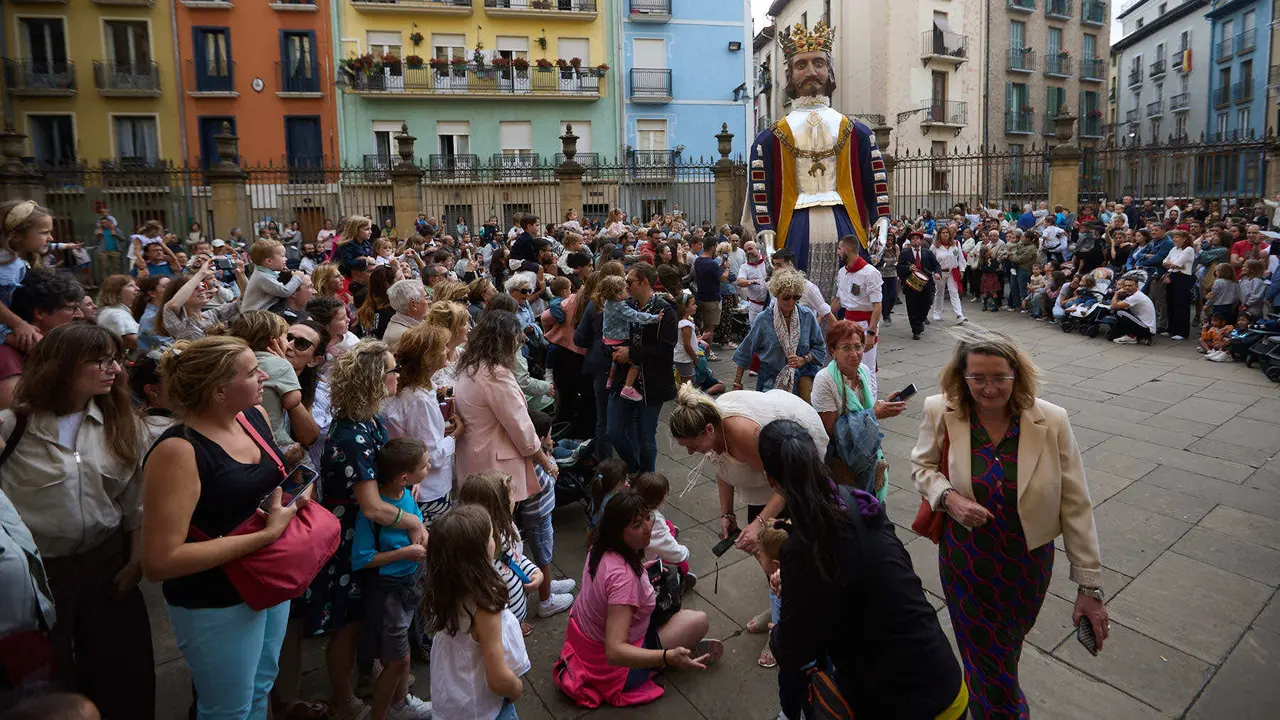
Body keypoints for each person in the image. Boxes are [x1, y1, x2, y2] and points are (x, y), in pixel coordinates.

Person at [909, 330, 1108, 717]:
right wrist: (949, 498)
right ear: (961, 376)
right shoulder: (941, 410)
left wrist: (1090, 586)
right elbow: (922, 467)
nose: (988, 388)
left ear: (1017, 374)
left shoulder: (1051, 420)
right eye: (977, 377)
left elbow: (1076, 503)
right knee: (991, 669)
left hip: (1026, 566)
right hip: (966, 561)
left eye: (999, 377)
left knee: (1001, 656)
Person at [141, 336, 308, 720]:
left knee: (261, 685)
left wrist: (298, 489)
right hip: (216, 600)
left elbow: (269, 485)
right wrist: (264, 536)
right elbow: (160, 561)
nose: (264, 374)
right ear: (219, 391)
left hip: (268, 580)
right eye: (251, 372)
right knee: (226, 709)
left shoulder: (253, 417)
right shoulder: (178, 451)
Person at [760, 419, 967, 720]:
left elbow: (795, 649)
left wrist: (781, 629)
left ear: (771, 481)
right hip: (947, 683)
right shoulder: (858, 503)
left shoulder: (805, 547)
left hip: (903, 705)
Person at [0, 324, 153, 720]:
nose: (114, 369)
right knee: (51, 674)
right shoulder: (12, 427)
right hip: (44, 573)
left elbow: (134, 498)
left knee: (121, 671)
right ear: (62, 366)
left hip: (109, 561)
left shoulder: (124, 422)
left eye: (116, 359)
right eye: (100, 360)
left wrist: (136, 559)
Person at [303, 340, 425, 720]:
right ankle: (346, 699)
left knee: (363, 618)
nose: (397, 375)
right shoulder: (354, 435)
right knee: (348, 624)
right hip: (350, 540)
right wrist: (413, 522)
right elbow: (371, 505)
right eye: (391, 370)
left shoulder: (365, 420)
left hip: (361, 532)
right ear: (374, 379)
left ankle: (370, 677)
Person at [668, 383, 827, 666]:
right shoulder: (712, 430)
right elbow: (722, 465)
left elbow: (788, 482)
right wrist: (727, 514)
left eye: (692, 445)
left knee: (786, 553)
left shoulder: (744, 434)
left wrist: (759, 522)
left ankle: (784, 628)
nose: (691, 453)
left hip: (793, 468)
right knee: (764, 550)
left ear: (708, 430)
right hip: (768, 474)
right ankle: (777, 603)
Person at [743, 20, 887, 292]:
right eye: (801, 65)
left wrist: (882, 226)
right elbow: (760, 198)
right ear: (790, 74)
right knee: (795, 300)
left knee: (852, 300)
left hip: (845, 223)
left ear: (829, 70)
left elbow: (876, 188)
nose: (811, 71)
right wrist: (770, 240)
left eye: (819, 63)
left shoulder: (857, 132)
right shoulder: (769, 139)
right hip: (794, 227)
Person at [554, 489, 717, 709]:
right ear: (619, 533)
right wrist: (667, 657)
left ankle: (670, 648)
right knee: (698, 621)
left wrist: (641, 572)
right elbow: (615, 652)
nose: (648, 528)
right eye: (637, 525)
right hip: (611, 670)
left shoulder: (599, 550)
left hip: (585, 646)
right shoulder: (623, 580)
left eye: (647, 518)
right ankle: (667, 661)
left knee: (674, 611)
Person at [351, 438, 433, 720]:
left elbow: (416, 520)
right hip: (388, 594)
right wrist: (405, 553)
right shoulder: (372, 516)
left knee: (403, 653)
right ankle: (382, 713)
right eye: (424, 465)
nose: (429, 467)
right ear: (403, 477)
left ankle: (401, 704)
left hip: (409, 585)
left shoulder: (405, 494)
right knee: (396, 661)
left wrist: (420, 533)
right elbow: (362, 559)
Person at [424, 505, 530, 720]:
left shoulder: (445, 589)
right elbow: (497, 678)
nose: (495, 539)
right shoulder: (485, 607)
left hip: (455, 700)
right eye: (491, 535)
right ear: (478, 552)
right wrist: (516, 688)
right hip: (487, 710)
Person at [454, 311, 554, 504]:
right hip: (495, 464)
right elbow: (519, 425)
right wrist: (544, 461)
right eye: (516, 340)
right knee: (498, 524)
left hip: (473, 457)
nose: (519, 344)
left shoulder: (470, 365)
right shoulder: (495, 375)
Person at [809, 320, 904, 502]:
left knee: (873, 505)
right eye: (845, 348)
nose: (854, 354)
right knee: (850, 508)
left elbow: (866, 409)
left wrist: (884, 405)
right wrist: (874, 414)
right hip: (840, 456)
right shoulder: (825, 380)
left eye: (858, 346)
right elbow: (832, 431)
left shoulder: (864, 371)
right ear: (833, 352)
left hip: (868, 450)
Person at [381, 324, 463, 526]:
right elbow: (431, 456)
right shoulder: (419, 399)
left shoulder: (414, 390)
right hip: (428, 490)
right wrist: (455, 437)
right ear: (429, 357)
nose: (447, 350)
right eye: (443, 347)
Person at [606, 263, 677, 474]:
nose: (626, 287)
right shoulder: (625, 305)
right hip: (622, 379)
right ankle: (635, 470)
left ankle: (647, 480)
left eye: (630, 282)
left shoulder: (665, 311)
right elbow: (608, 332)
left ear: (644, 282)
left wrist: (632, 353)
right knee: (614, 432)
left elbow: (666, 349)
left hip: (651, 383)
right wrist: (611, 350)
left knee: (646, 438)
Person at [518, 410, 577, 618]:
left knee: (546, 552)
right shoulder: (533, 464)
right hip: (538, 515)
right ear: (540, 439)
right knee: (543, 556)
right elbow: (547, 483)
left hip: (543, 513)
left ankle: (548, 584)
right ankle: (546, 601)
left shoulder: (533, 456)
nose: (551, 440)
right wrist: (551, 465)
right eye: (549, 436)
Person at [732, 270, 825, 397]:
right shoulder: (764, 319)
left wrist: (804, 359)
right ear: (777, 294)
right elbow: (745, 351)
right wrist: (737, 382)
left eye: (796, 297)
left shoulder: (807, 316)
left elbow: (820, 348)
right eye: (786, 297)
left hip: (803, 373)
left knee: (806, 409)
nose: (791, 302)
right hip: (771, 376)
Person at [830, 234, 883, 393]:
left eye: (839, 249)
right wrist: (821, 314)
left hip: (865, 324)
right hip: (847, 322)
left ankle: (871, 406)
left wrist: (871, 333)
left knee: (867, 367)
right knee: (848, 364)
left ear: (846, 249)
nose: (838, 252)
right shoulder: (842, 272)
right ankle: (853, 397)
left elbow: (877, 306)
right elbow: (838, 300)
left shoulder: (870, 273)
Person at [896, 231, 939, 340]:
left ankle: (920, 321)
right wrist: (908, 268)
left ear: (921, 240)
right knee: (912, 307)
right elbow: (899, 268)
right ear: (910, 241)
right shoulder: (905, 253)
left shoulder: (927, 253)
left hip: (926, 284)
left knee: (927, 303)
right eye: (913, 239)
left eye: (917, 238)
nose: (916, 240)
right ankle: (916, 329)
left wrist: (938, 273)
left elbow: (936, 265)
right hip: (911, 284)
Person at [242, 240, 304, 312]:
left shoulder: (262, 272)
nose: (286, 258)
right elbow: (285, 291)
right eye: (283, 256)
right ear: (269, 261)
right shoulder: (263, 277)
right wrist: (297, 278)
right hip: (254, 317)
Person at [1162, 229, 1196, 340]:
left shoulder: (1189, 249)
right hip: (1172, 276)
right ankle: (1171, 329)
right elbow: (1164, 262)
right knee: (1170, 303)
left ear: (1185, 238)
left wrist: (1172, 264)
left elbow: (1177, 263)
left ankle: (1182, 331)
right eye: (1174, 237)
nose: (1174, 239)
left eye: (1177, 237)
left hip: (1183, 278)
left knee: (1181, 304)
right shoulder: (1173, 249)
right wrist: (1171, 264)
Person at [1107, 272, 1157, 344]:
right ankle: (1135, 336)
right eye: (1125, 285)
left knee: (1119, 312)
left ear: (1137, 286)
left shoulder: (1136, 296)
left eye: (1130, 286)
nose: (1127, 287)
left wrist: (1116, 293)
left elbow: (1113, 306)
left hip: (1147, 330)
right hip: (1145, 327)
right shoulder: (1135, 295)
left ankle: (1131, 337)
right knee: (1122, 310)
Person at [931, 227, 967, 323]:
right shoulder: (935, 246)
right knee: (939, 292)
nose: (945, 234)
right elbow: (931, 260)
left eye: (947, 232)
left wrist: (962, 270)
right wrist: (934, 272)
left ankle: (959, 314)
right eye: (943, 233)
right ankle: (937, 313)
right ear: (939, 234)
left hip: (952, 271)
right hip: (940, 272)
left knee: (954, 292)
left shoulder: (956, 244)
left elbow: (961, 258)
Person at [381, 279, 428, 352]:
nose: (429, 301)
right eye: (426, 298)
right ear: (413, 305)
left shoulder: (416, 320)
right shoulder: (404, 336)